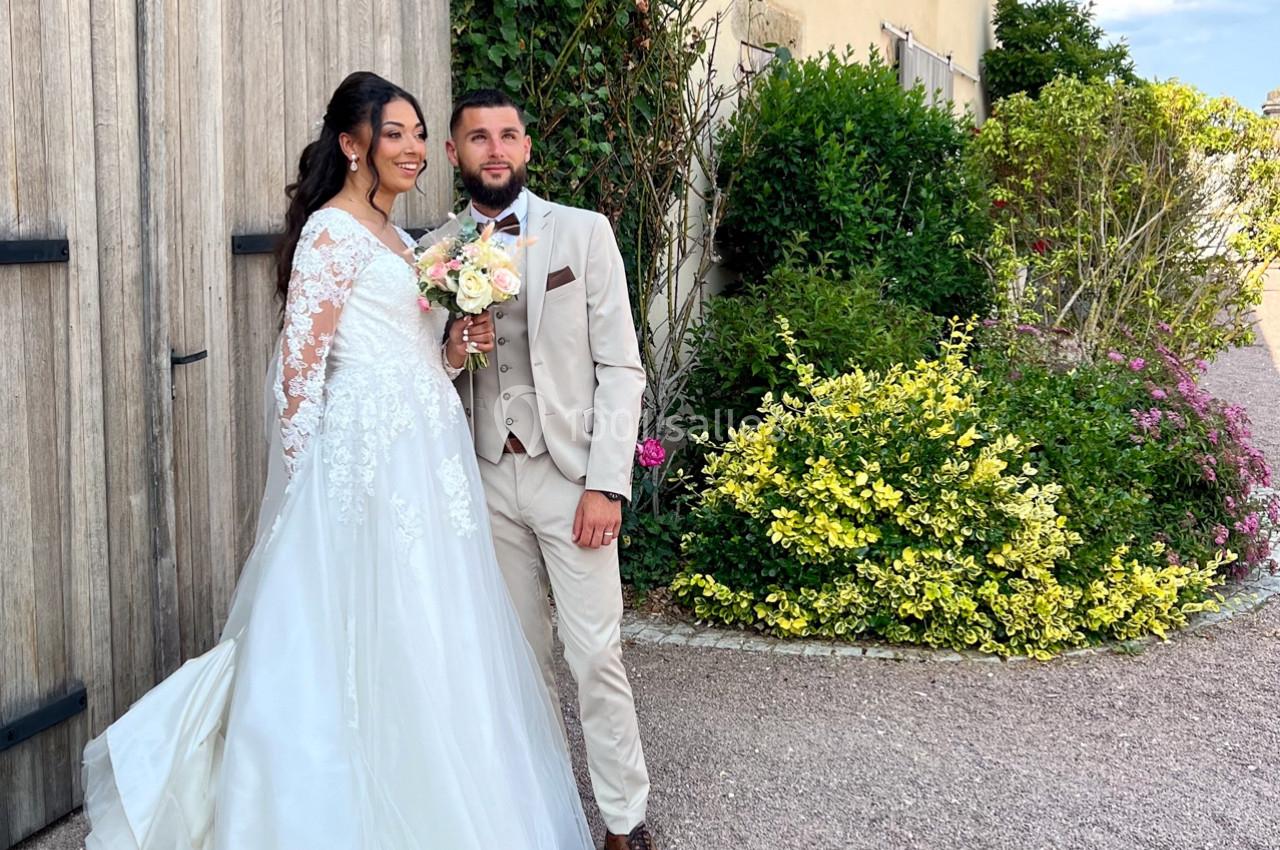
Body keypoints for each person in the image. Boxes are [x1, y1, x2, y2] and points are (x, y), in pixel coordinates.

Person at [80, 71, 592, 850]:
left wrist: (455, 347)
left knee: (436, 631)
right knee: (363, 632)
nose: (414, 148)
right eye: (396, 134)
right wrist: (306, 493)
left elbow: (418, 357)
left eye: (420, 134)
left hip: (429, 458)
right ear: (353, 145)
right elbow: (299, 375)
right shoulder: (330, 234)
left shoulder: (401, 239)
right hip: (366, 468)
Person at [423, 88, 653, 850]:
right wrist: (453, 348)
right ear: (454, 153)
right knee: (519, 662)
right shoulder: (436, 249)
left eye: (507, 136)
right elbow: (422, 372)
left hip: (570, 476)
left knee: (595, 655)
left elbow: (621, 366)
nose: (495, 150)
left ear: (526, 149)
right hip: (485, 476)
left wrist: (606, 484)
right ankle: (544, 813)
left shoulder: (583, 234)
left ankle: (624, 819)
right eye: (478, 138)